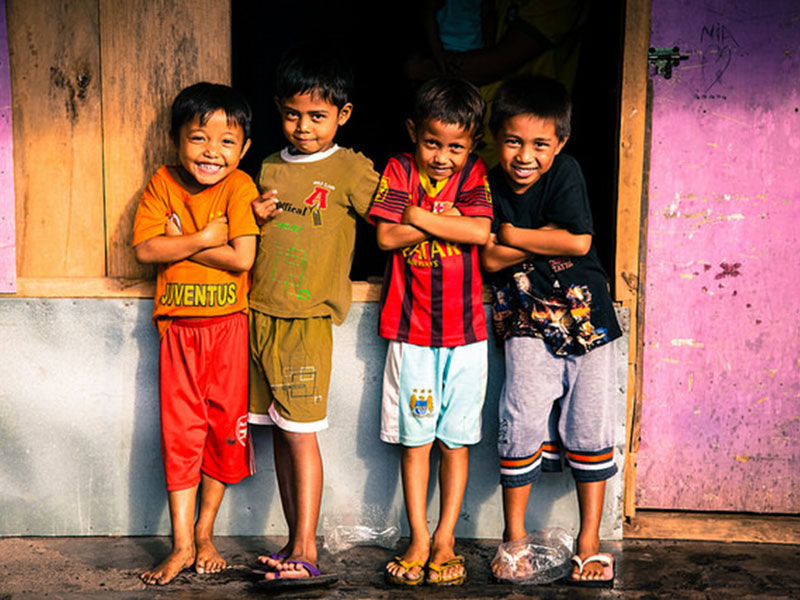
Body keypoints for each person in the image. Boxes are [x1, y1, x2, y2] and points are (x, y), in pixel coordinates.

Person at [480, 74, 621, 587]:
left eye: (541, 143)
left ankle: (589, 542)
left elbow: (580, 243)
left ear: (559, 143)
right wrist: (543, 239)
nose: (525, 155)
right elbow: (491, 256)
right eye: (513, 140)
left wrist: (514, 235)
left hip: (589, 319)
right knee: (519, 420)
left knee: (589, 425)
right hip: (524, 321)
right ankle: (513, 539)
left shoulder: (566, 172)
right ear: (494, 139)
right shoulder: (485, 183)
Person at [247, 44, 379, 588]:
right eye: (293, 113)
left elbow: (389, 223)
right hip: (259, 313)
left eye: (318, 116)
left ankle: (307, 547)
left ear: (342, 115)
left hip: (305, 321)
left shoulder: (350, 167)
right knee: (279, 431)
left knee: (301, 434)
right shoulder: (270, 165)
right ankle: (291, 539)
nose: (304, 126)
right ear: (279, 109)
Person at [132, 82, 259, 585]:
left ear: (244, 148)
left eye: (227, 142)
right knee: (180, 435)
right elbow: (144, 250)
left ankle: (206, 532)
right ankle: (181, 544)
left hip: (228, 329)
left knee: (223, 432)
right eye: (199, 138)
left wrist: (181, 241)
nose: (212, 152)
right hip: (178, 333)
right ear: (176, 140)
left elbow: (242, 258)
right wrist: (208, 236)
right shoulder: (162, 183)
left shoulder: (241, 187)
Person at [369, 77, 492, 587]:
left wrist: (416, 215)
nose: (443, 157)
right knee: (415, 440)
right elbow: (385, 235)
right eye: (433, 143)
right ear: (413, 133)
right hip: (412, 333)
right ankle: (418, 535)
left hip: (467, 337)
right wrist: (439, 219)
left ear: (472, 147)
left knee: (455, 441)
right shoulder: (398, 168)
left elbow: (480, 232)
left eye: (456, 147)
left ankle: (445, 538)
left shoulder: (475, 174)